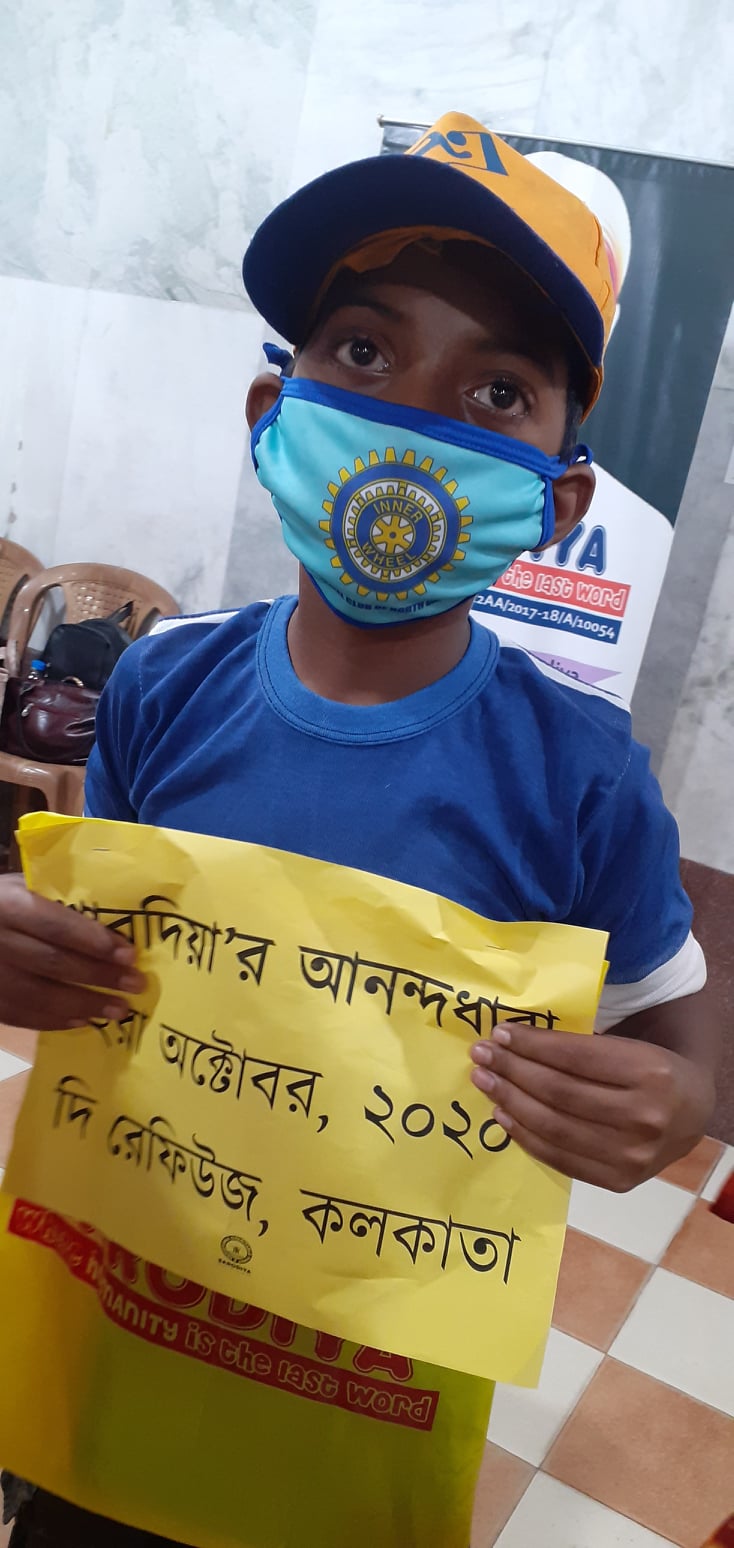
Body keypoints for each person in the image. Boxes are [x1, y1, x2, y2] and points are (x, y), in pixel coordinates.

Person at [0, 112, 718, 1548]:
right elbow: (109, 948)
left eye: (498, 388)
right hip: (121, 1323)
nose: (412, 419)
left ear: (556, 497)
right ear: (274, 412)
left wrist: (677, 1108)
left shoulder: (579, 777)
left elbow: (678, 1038)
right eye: (365, 351)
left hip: (360, 1382)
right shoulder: (162, 681)